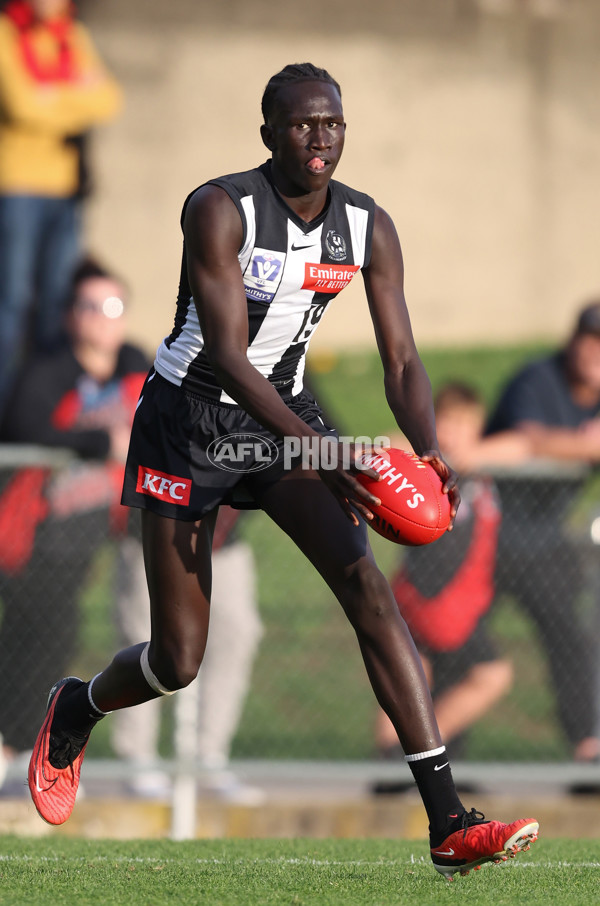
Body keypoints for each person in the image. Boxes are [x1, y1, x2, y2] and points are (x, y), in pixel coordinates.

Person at [27, 63, 538, 878]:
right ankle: (76, 706)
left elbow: (401, 356)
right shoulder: (220, 208)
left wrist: (430, 446)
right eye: (303, 124)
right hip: (188, 424)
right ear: (268, 133)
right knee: (178, 659)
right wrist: (323, 451)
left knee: (366, 586)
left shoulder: (368, 225)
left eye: (334, 123)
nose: (321, 138)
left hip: (287, 418)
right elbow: (228, 359)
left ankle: (447, 822)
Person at [0, 258, 148, 762]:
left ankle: (23, 751)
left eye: (112, 306)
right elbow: (24, 427)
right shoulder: (50, 370)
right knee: (33, 647)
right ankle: (17, 751)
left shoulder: (136, 367)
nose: (102, 317)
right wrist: (97, 440)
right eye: (89, 306)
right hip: (33, 534)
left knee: (57, 644)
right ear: (71, 316)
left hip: (86, 539)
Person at [486, 301, 600, 762]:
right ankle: (435, 759)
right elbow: (529, 440)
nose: (595, 351)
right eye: (590, 339)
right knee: (457, 641)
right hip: (489, 534)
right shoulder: (537, 379)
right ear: (573, 340)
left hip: (546, 542)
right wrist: (586, 446)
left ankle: (588, 749)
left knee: (572, 642)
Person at [0, 0, 122, 418]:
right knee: (11, 302)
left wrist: (52, 98)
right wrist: (74, 97)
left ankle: (46, 407)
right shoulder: (6, 34)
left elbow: (108, 100)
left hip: (66, 188)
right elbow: (22, 106)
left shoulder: (71, 36)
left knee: (57, 304)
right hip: (16, 187)